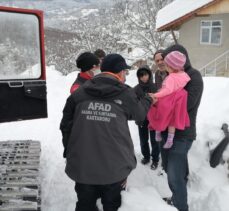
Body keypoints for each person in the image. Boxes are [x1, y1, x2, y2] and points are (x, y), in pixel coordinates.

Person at [60, 53, 151, 211]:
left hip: (83, 167)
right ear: (120, 72)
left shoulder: (80, 93)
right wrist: (148, 100)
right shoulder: (125, 94)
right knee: (112, 205)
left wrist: (71, 153)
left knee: (85, 205)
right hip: (114, 169)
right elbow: (140, 115)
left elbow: (65, 126)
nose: (125, 76)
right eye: (125, 72)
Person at [159, 44, 203, 211]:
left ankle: (181, 207)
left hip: (183, 133)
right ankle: (177, 198)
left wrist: (163, 103)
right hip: (166, 131)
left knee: (174, 175)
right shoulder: (170, 75)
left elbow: (188, 103)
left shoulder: (194, 76)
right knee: (174, 172)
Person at [147, 51, 191, 149]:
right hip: (178, 100)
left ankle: (157, 131)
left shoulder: (171, 77)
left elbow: (167, 90)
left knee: (157, 113)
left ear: (171, 66)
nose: (164, 66)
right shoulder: (184, 74)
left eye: (166, 65)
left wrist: (155, 95)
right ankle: (170, 140)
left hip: (168, 98)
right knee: (173, 121)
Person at [134, 65, 160, 169]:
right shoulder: (136, 89)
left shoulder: (155, 87)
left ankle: (155, 159)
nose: (144, 77)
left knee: (154, 140)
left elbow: (160, 102)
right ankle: (146, 156)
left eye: (146, 74)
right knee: (143, 139)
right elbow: (133, 104)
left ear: (149, 74)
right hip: (142, 119)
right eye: (141, 75)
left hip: (153, 119)